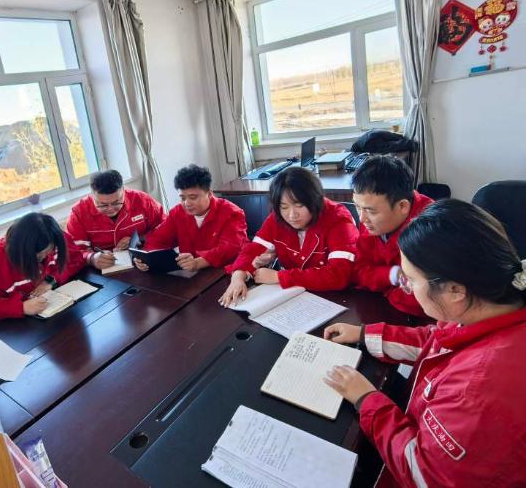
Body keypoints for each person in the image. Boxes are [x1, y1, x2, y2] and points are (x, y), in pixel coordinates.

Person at [323, 199, 526, 487]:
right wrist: (365, 334)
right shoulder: (492, 304)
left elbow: (424, 474)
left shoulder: (477, 393)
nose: (407, 287)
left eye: (411, 279)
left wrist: (367, 399)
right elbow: (439, 340)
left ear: (454, 290)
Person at [220, 167, 358, 306]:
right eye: (284, 207)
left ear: (315, 200)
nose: (292, 215)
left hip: (335, 299)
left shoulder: (338, 219)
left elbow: (338, 275)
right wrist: (237, 277)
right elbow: (253, 249)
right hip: (292, 297)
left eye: (299, 205)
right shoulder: (277, 217)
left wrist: (279, 277)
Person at [351, 155, 433, 316]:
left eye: (370, 211)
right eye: (357, 207)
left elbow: (423, 299)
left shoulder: (430, 229)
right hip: (383, 308)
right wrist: (392, 275)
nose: (361, 218)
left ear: (402, 206)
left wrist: (387, 291)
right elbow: (358, 271)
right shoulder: (371, 220)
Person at [0, 213, 86, 321]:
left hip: (52, 315)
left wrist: (51, 280)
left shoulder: (52, 236)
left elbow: (77, 260)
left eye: (50, 251)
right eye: (41, 254)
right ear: (24, 250)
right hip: (16, 326)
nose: (46, 256)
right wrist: (21, 307)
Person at [134, 164, 247, 272]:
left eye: (193, 197)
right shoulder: (177, 213)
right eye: (183, 198)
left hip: (226, 271)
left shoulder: (232, 213)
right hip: (190, 272)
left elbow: (230, 249)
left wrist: (199, 262)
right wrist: (145, 258)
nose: (187, 203)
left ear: (209, 194)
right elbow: (158, 240)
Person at [66, 169, 165, 271]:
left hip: (142, 260)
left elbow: (165, 227)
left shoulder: (142, 200)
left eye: (116, 202)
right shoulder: (79, 212)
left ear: (123, 190)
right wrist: (91, 258)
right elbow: (73, 250)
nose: (110, 209)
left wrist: (140, 239)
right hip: (102, 268)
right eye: (103, 205)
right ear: (92, 195)